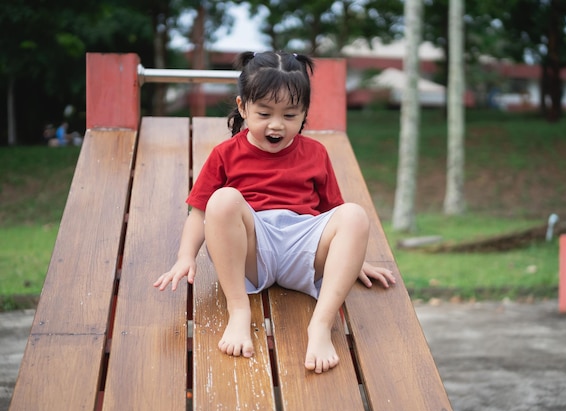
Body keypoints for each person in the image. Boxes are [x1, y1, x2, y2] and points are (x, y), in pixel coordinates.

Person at [153, 51, 395, 374]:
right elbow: (199, 213)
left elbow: (334, 215)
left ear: (305, 113)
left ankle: (321, 325)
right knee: (222, 200)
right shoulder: (226, 154)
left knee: (355, 215)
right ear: (242, 107)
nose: (276, 125)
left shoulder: (316, 153)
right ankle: (239, 310)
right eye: (264, 113)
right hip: (254, 249)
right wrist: (186, 256)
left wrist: (353, 259)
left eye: (290, 115)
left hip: (303, 246)